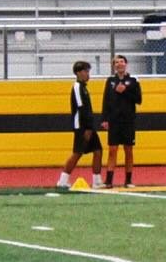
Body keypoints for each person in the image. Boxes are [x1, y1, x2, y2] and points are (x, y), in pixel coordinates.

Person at [56, 60, 103, 190]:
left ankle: (97, 181)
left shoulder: (84, 88)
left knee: (98, 151)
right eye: (85, 71)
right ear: (78, 73)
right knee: (77, 153)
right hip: (82, 126)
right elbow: (81, 108)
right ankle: (62, 180)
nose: (88, 74)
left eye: (88, 71)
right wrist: (87, 128)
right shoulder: (77, 87)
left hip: (88, 125)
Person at [101, 54, 142, 188]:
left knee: (128, 149)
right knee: (112, 150)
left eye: (122, 61)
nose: (119, 64)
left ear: (126, 64)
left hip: (128, 120)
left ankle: (128, 180)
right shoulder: (110, 81)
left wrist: (125, 91)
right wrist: (104, 119)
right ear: (114, 66)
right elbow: (106, 101)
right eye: (116, 62)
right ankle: (109, 180)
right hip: (114, 120)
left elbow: (138, 99)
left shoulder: (133, 81)